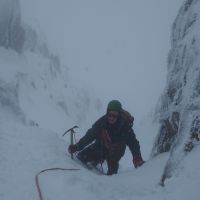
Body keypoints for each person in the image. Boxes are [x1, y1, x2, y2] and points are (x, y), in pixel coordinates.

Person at [68, 100, 144, 175]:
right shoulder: (102, 122)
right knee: (81, 157)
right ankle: (97, 159)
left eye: (114, 116)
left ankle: (111, 175)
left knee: (112, 171)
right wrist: (77, 146)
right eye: (110, 115)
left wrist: (137, 157)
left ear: (119, 115)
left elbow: (133, 143)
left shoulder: (125, 127)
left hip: (117, 150)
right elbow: (90, 135)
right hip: (101, 145)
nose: (111, 118)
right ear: (107, 113)